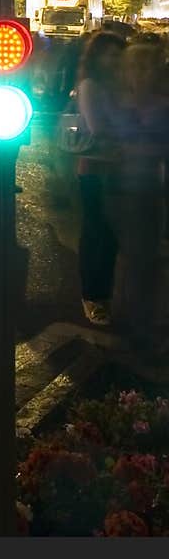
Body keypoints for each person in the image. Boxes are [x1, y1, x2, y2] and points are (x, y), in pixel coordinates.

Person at [114, 41, 169, 352]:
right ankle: (140, 328)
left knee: (144, 259)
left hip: (149, 187)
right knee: (140, 259)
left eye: (152, 66)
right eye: (142, 66)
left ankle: (137, 320)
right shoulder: (126, 104)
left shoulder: (150, 103)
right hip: (129, 189)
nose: (147, 72)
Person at [74, 30, 129, 326]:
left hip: (119, 168)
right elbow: (98, 127)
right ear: (97, 57)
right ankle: (93, 297)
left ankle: (104, 295)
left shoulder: (120, 85)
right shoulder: (91, 86)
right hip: (94, 168)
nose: (115, 59)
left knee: (111, 235)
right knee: (97, 232)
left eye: (119, 54)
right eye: (110, 54)